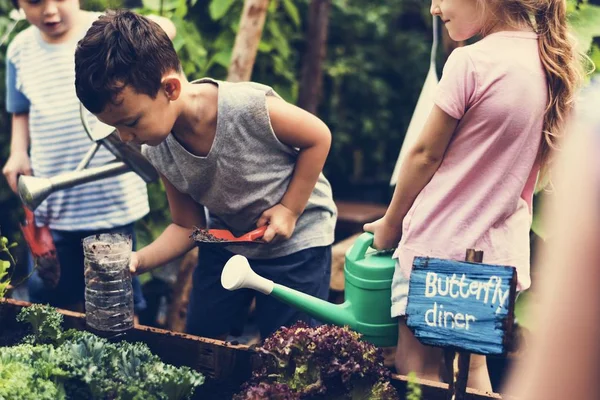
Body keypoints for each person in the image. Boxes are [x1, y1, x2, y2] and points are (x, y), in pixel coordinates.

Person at [73, 10, 337, 340]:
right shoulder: (158, 147)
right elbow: (188, 226)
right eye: (115, 127)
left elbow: (318, 136)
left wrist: (289, 209)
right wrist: (137, 261)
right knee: (202, 340)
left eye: (131, 122)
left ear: (169, 88)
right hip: (226, 242)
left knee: (292, 348)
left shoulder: (246, 108)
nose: (125, 137)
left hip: (296, 247)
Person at [363, 0, 583, 391]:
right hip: (495, 258)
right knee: (473, 372)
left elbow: (424, 154)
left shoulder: (471, 62)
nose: (434, 9)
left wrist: (391, 223)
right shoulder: (549, 63)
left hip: (435, 248)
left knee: (417, 375)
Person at [2, 0, 175, 314]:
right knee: (58, 297)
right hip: (54, 197)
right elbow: (20, 110)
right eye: (36, 2)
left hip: (109, 198)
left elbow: (163, 30)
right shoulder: (19, 49)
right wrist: (17, 152)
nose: (50, 11)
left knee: (117, 297)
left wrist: (156, 31)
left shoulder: (104, 33)